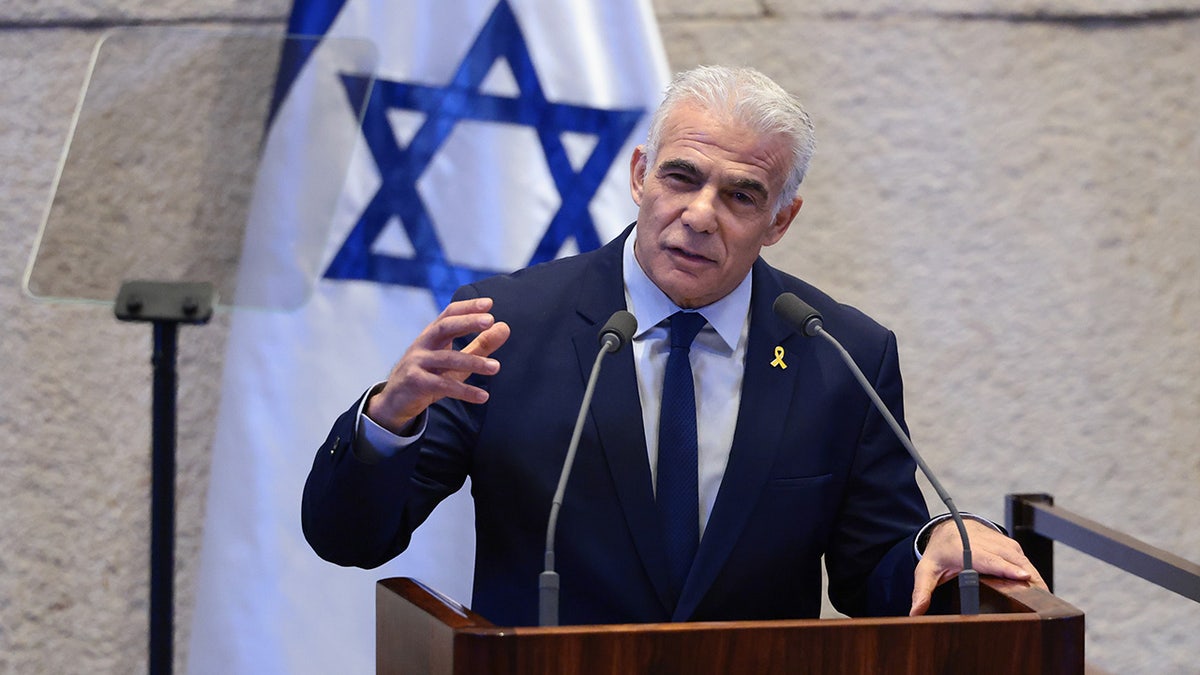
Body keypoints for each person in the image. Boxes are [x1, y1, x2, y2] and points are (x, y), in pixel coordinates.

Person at [302, 65, 1044, 626]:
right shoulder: (507, 327)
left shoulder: (841, 352)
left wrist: (932, 545)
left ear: (781, 220)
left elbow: (869, 575)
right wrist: (388, 419)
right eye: (681, 177)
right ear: (639, 176)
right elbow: (350, 539)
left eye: (741, 194)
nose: (699, 214)